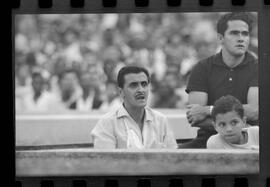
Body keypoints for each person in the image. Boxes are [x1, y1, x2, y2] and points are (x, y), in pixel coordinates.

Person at [179, 12, 258, 148]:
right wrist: (233, 124)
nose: (241, 38)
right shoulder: (202, 68)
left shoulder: (259, 67)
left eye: (245, 34)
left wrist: (207, 110)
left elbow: (255, 111)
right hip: (208, 138)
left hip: (249, 139)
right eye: (234, 33)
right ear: (221, 38)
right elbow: (195, 118)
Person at [91, 66, 177, 149]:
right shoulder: (107, 123)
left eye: (144, 84)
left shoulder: (161, 120)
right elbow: (105, 161)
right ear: (121, 92)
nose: (141, 90)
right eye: (134, 85)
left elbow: (173, 158)